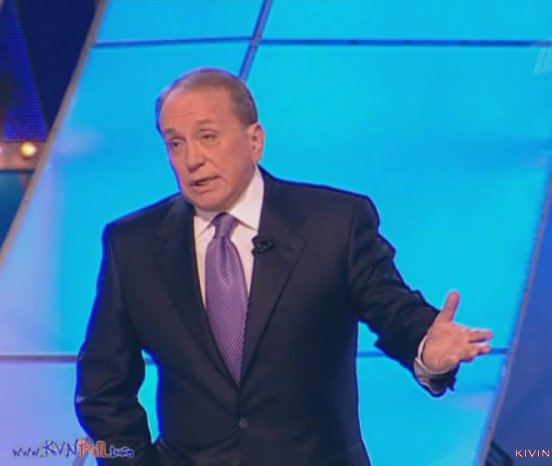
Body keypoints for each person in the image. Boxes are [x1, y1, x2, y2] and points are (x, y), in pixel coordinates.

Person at [75, 68, 493, 466]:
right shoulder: (133, 245)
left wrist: (427, 349)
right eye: (175, 143)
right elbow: (102, 390)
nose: (192, 159)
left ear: (255, 140)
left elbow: (393, 309)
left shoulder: (334, 224)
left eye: (207, 136)